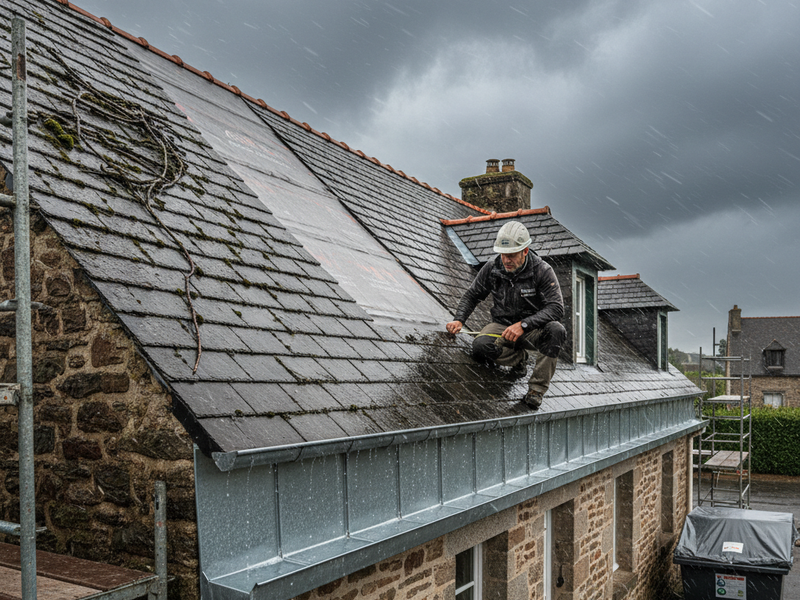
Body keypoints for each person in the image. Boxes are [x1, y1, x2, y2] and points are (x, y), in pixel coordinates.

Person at [446, 221, 566, 409]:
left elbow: (556, 308)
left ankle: (536, 391)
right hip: (502, 326)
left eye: (511, 255)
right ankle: (519, 358)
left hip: (533, 330)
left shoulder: (542, 270)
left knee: (556, 330)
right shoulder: (492, 268)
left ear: (525, 251)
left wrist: (524, 324)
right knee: (480, 347)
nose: (506, 260)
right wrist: (459, 319)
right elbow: (472, 295)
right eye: (503, 255)